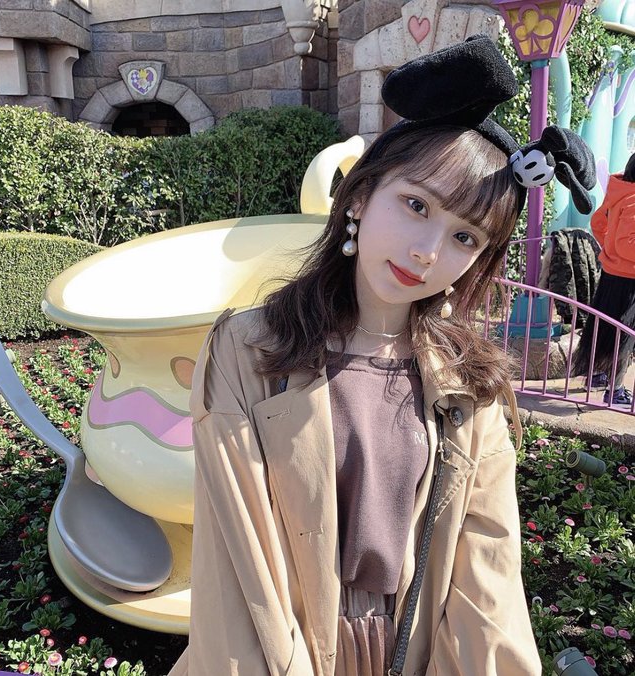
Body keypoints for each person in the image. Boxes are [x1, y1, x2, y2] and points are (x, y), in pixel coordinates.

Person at [168, 36, 594, 676]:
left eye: (464, 236)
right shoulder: (251, 349)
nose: (427, 250)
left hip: (412, 652)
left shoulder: (467, 387)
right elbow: (235, 566)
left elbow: (489, 578)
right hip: (283, 649)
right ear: (362, 195)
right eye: (416, 205)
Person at [573, 151, 635, 406]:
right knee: (624, 336)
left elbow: (598, 222)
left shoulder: (619, 191)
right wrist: (615, 249)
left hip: (612, 274)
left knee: (604, 329)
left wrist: (609, 249)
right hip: (629, 280)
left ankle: (596, 375)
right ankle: (616, 390)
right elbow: (627, 244)